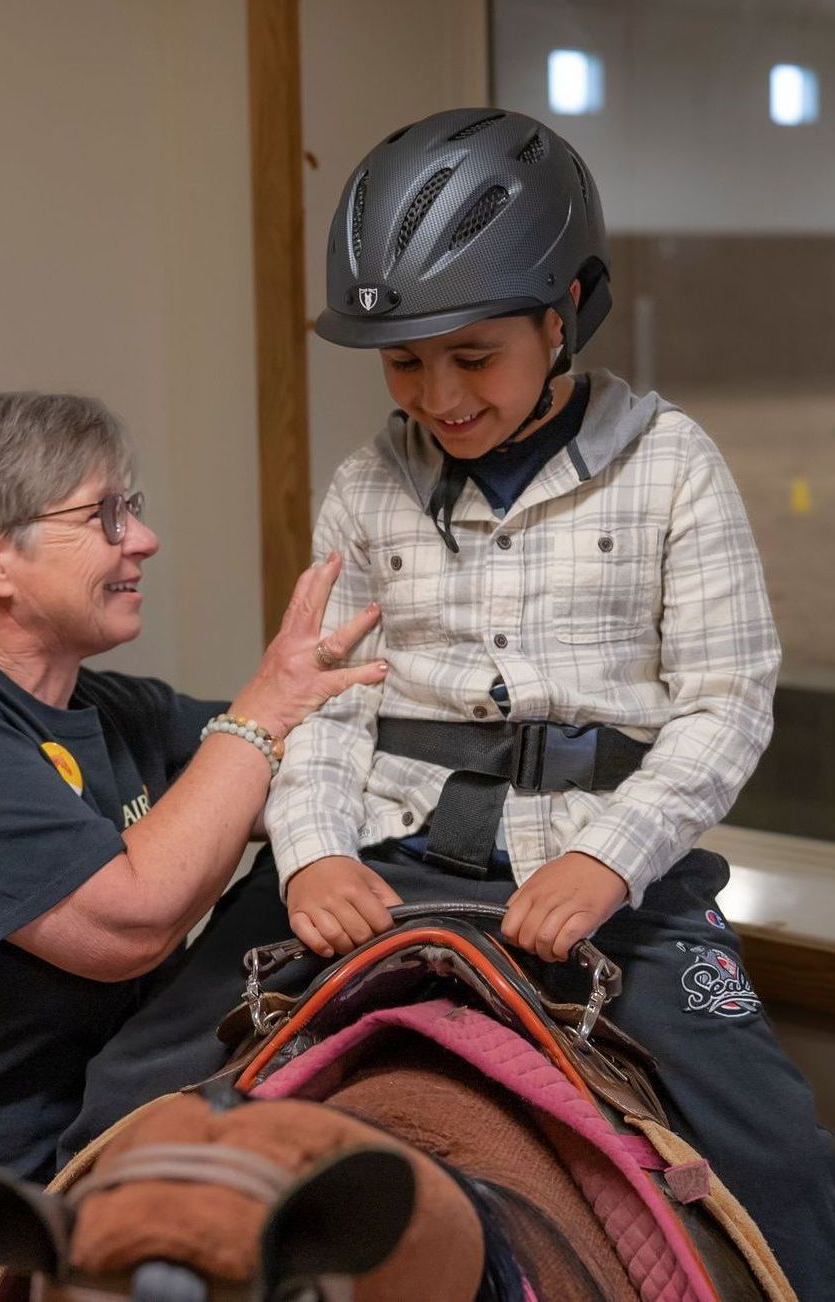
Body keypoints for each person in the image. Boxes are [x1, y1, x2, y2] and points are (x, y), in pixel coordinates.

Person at [65, 111, 834, 1298]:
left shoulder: (673, 464)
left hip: (605, 876)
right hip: (384, 852)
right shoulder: (367, 483)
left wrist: (612, 863)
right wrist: (312, 856)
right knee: (120, 1095)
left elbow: (725, 707)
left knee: (778, 1156)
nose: (439, 395)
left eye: (473, 356)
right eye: (405, 363)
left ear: (567, 310)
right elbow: (321, 702)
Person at [0, 390, 385, 1302]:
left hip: (44, 1228)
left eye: (131, 509)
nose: (143, 540)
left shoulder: (109, 710)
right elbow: (127, 922)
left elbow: (292, 769)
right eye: (106, 515)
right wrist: (263, 709)